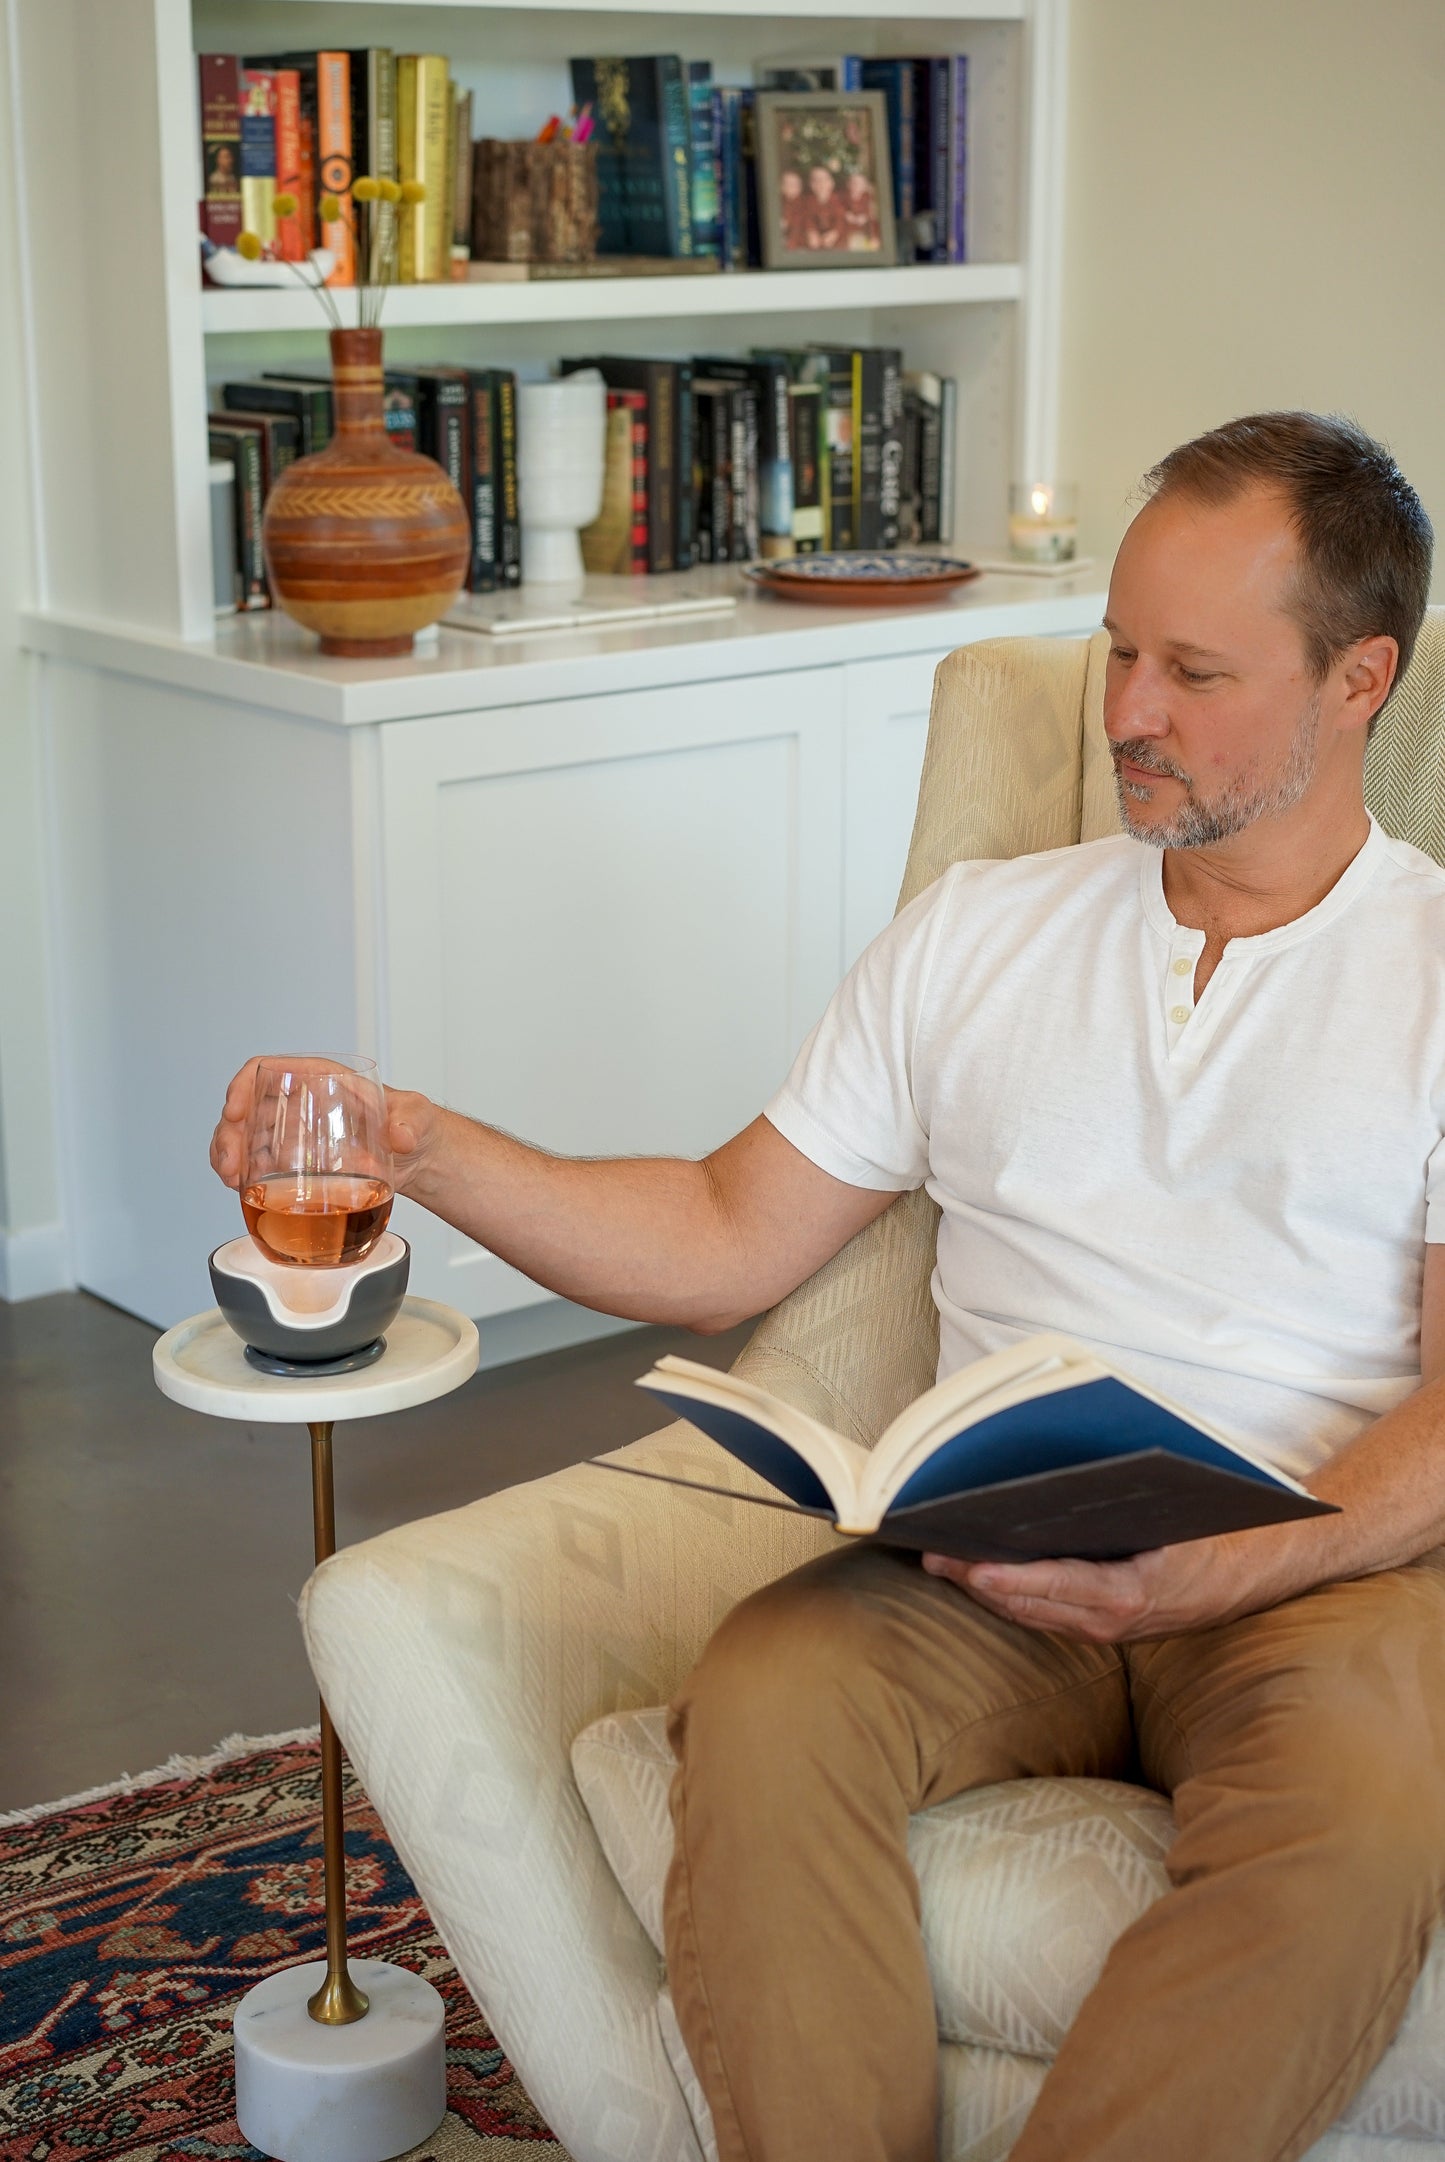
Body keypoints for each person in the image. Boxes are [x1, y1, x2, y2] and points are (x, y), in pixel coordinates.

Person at [212, 410, 1445, 2162]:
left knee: (1374, 1812)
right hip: (995, 1538)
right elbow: (725, 1228)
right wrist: (418, 1142)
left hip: (1310, 1557)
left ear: (1357, 681)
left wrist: (1266, 1546)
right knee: (774, 1692)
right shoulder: (980, 932)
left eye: (1193, 670)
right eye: (1115, 652)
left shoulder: (1431, 971)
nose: (1126, 716)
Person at [802, 162, 846, 249]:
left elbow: (841, 219)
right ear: (811, 185)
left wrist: (834, 233)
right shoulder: (808, 202)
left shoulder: (838, 200)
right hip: (816, 237)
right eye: (816, 180)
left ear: (832, 183)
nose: (821, 183)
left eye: (825, 179)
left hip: (835, 236)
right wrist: (811, 232)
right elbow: (807, 219)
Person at [778, 167, 810, 254]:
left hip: (797, 247)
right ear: (781, 186)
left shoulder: (803, 204)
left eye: (796, 184)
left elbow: (797, 229)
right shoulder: (778, 202)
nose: (793, 187)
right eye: (789, 184)